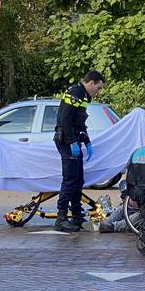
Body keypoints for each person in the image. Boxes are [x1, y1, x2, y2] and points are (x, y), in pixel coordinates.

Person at [53, 70, 105, 232]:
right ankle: (61, 218)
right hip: (66, 141)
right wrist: (72, 142)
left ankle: (76, 214)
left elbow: (79, 122)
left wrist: (86, 140)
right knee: (70, 179)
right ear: (91, 83)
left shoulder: (83, 96)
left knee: (78, 179)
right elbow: (65, 119)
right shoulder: (75, 92)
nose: (98, 92)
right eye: (98, 88)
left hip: (73, 139)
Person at [99, 131, 145, 233]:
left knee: (124, 207)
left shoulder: (136, 153)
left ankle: (107, 221)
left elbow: (128, 171)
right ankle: (115, 226)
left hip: (134, 192)